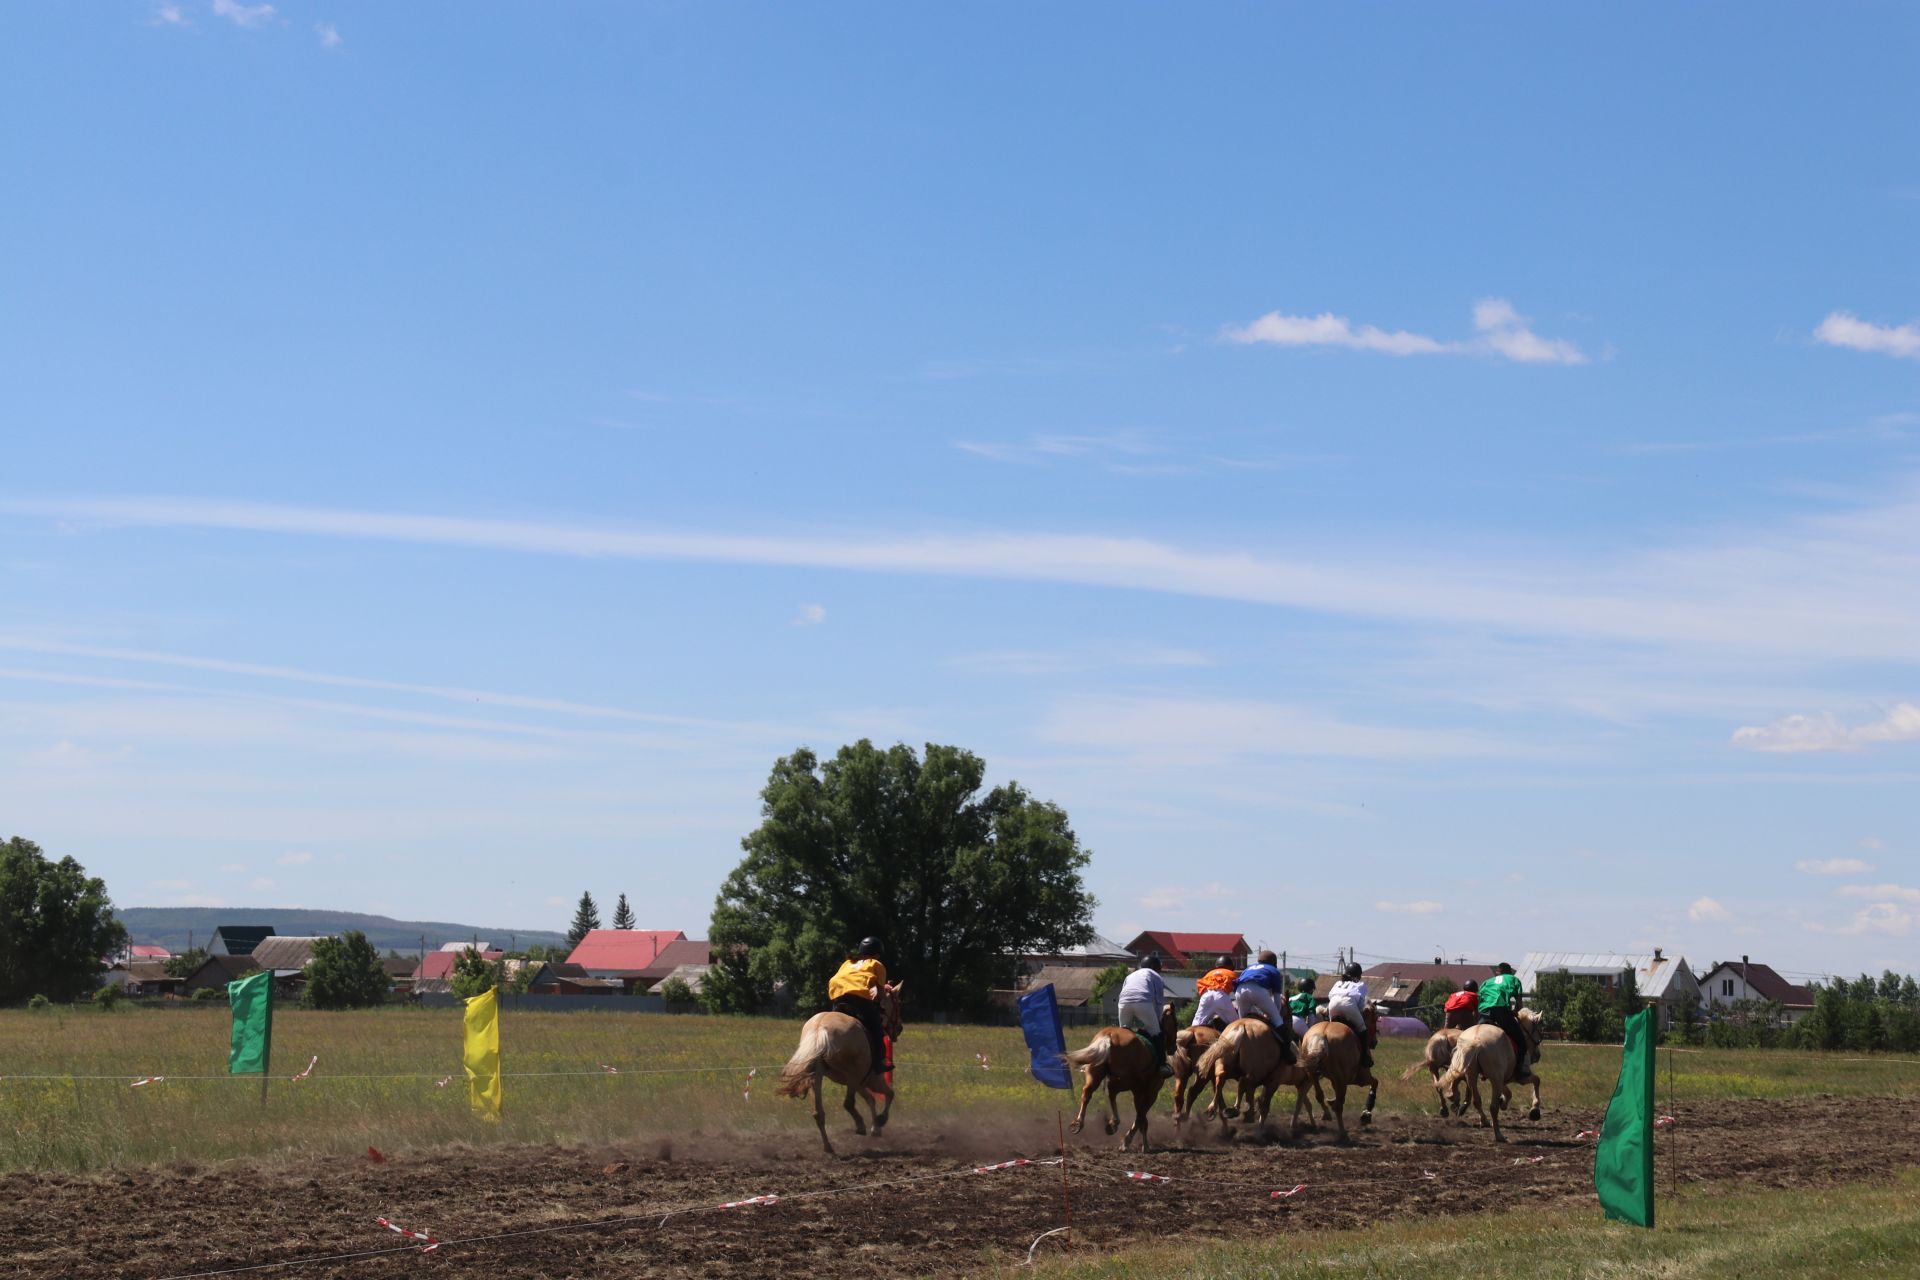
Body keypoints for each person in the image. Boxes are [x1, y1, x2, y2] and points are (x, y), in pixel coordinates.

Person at [826, 937, 890, 1079]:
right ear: (877, 954)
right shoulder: (877, 964)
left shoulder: (847, 963)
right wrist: (880, 997)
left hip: (838, 996)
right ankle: (879, 1064)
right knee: (877, 1029)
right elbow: (879, 993)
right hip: (859, 999)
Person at [1231, 951, 1292, 1063]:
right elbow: (1277, 998)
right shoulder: (1274, 970)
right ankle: (1287, 1054)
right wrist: (1275, 1016)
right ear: (1274, 963)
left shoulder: (1248, 968)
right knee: (1278, 1021)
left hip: (1240, 991)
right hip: (1258, 990)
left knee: (1241, 1024)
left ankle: (1234, 1054)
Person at [1117, 954, 1173, 1076]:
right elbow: (1159, 1002)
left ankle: (1116, 1062)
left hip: (1123, 1003)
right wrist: (1158, 1022)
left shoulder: (1130, 975)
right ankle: (1162, 1066)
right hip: (1142, 1001)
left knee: (1123, 1033)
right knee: (1156, 1033)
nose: (1159, 970)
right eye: (1158, 968)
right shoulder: (1156, 976)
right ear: (1153, 966)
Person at [1477, 962, 1533, 1081]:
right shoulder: (1514, 980)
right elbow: (1519, 1004)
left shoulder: (1486, 982)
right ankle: (1520, 1071)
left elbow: (1480, 999)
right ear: (1510, 972)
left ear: (1498, 972)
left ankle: (1478, 1068)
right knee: (1522, 1042)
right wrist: (1514, 1011)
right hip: (1501, 1012)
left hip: (1484, 1012)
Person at [1327, 962, 1373, 1072]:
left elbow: (1330, 996)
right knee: (1363, 1030)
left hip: (1332, 1005)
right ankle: (1365, 1058)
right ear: (1359, 975)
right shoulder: (1361, 985)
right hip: (1349, 1005)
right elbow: (1361, 1005)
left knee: (1329, 1028)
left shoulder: (1338, 983)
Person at [1191, 954, 1238, 1030]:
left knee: (1195, 1025)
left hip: (1206, 996)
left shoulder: (1209, 973)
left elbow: (1200, 988)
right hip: (1221, 996)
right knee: (1236, 1025)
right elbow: (1238, 991)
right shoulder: (1231, 973)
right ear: (1230, 967)